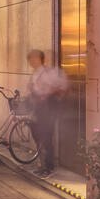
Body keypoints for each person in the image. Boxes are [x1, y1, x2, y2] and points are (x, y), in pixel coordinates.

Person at [26, 48, 69, 177]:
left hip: (48, 109)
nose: (31, 62)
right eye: (30, 59)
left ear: (41, 59)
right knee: (38, 137)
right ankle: (43, 165)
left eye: (34, 58)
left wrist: (49, 93)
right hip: (38, 109)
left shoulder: (49, 73)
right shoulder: (35, 74)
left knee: (46, 138)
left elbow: (61, 88)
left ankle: (48, 167)